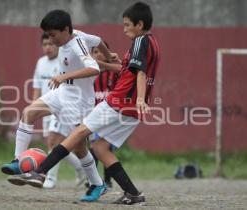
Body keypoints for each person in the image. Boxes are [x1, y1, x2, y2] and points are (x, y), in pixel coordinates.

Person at [9, 2, 160, 205]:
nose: (124, 30)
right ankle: (133, 194)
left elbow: (140, 72)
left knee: (78, 135)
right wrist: (106, 63)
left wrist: (140, 98)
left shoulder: (140, 41)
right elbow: (126, 71)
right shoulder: (153, 43)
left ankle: (40, 172)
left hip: (119, 102)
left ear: (139, 24)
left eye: (126, 25)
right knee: (100, 147)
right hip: (130, 108)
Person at [3, 9, 115, 202]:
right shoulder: (78, 33)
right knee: (29, 113)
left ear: (65, 30)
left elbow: (94, 68)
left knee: (80, 149)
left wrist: (64, 76)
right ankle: (17, 161)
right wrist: (109, 55)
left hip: (79, 101)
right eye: (48, 35)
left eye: (53, 35)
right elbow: (97, 40)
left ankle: (97, 184)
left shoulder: (77, 44)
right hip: (63, 93)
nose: (51, 40)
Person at [31, 32, 86, 189]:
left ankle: (50, 178)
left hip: (61, 105)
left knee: (53, 143)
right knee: (56, 144)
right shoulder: (40, 62)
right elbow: (36, 84)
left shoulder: (64, 60)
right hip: (45, 106)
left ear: (57, 44)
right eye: (45, 44)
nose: (48, 47)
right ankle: (80, 166)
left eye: (51, 44)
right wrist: (35, 104)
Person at [88, 45, 120, 188]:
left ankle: (106, 179)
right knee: (94, 148)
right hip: (93, 115)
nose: (99, 54)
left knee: (104, 149)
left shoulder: (115, 72)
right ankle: (94, 180)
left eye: (101, 51)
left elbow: (125, 73)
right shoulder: (89, 73)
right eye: (95, 52)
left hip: (111, 115)